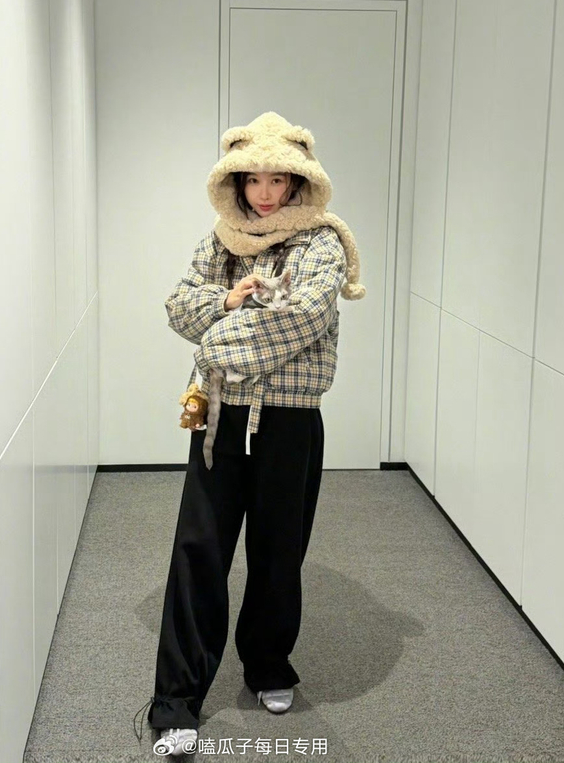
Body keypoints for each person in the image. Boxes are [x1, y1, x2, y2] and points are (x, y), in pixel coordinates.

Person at [133, 111, 366, 757]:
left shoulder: (322, 244)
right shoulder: (220, 241)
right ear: (236, 182)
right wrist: (231, 301)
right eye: (253, 179)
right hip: (220, 417)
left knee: (278, 549)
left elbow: (304, 319)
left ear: (297, 182)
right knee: (198, 550)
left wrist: (216, 341)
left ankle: (267, 663)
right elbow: (180, 306)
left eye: (277, 179)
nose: (265, 193)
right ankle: (176, 699)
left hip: (289, 420)